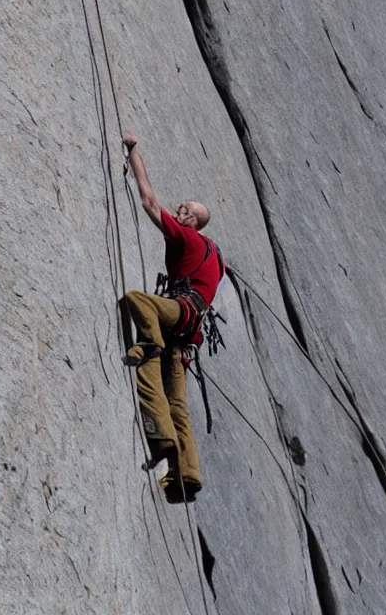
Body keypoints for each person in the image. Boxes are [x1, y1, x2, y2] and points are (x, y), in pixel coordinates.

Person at [120, 131, 224, 504]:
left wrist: (133, 152)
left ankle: (160, 431)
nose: (178, 212)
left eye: (185, 210)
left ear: (192, 220)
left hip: (179, 312)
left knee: (139, 303)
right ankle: (187, 472)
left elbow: (149, 200)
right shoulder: (216, 256)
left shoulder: (187, 237)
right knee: (178, 401)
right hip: (188, 332)